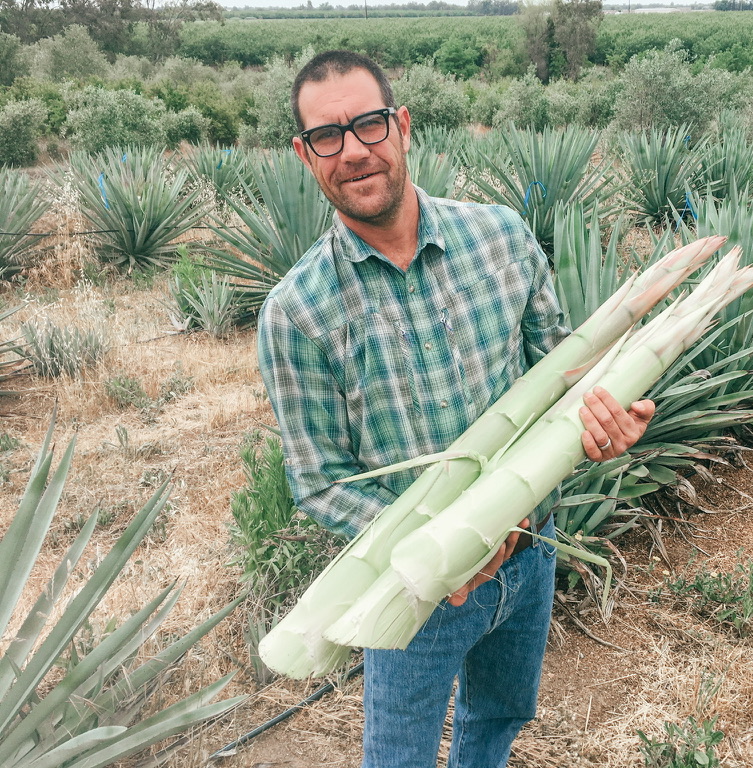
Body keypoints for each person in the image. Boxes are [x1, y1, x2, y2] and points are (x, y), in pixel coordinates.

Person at [256, 49, 655, 768]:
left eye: (369, 125)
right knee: (400, 757)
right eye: (327, 136)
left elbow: (561, 375)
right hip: (414, 589)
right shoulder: (297, 313)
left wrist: (604, 418)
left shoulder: (501, 237)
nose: (353, 151)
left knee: (499, 718)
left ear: (402, 125)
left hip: (533, 553)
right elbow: (318, 480)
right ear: (304, 154)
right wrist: (435, 554)